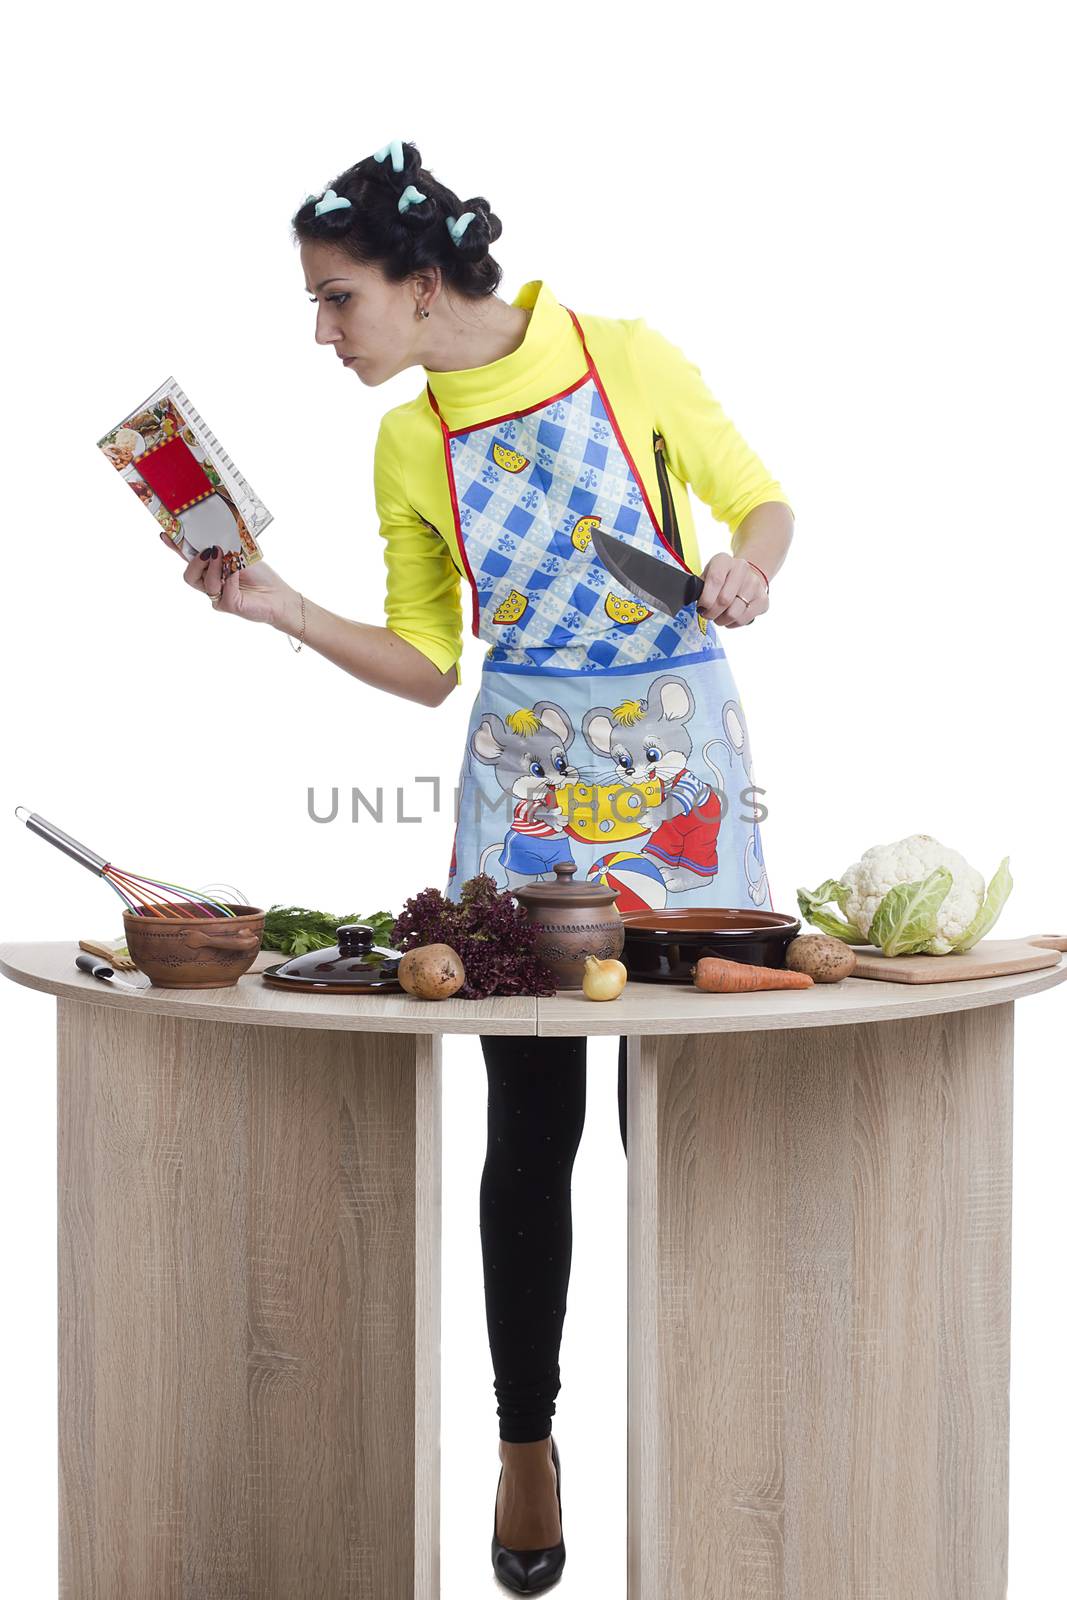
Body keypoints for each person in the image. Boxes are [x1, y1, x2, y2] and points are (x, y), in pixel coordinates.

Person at [167, 136, 794, 1594]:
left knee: (686, 1124)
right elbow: (429, 664)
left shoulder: (622, 358)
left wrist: (755, 562)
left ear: (425, 282)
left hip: (678, 766)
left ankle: (715, 1441)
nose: (324, 333)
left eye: (337, 302)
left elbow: (763, 499)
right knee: (533, 1123)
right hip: (521, 791)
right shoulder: (406, 441)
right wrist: (278, 608)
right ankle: (527, 1443)